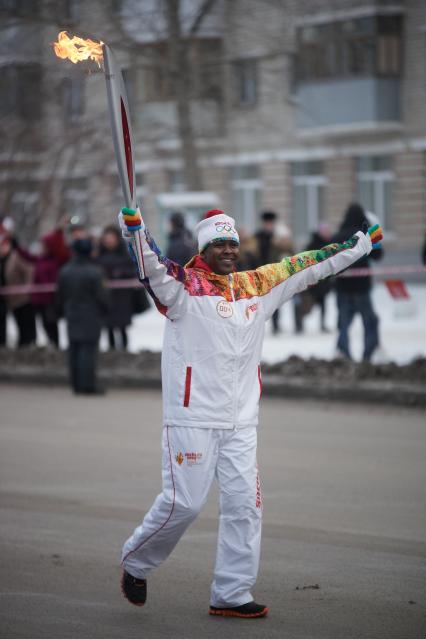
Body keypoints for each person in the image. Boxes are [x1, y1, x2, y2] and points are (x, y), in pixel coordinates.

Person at [117, 205, 382, 618]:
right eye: (218, 243)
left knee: (245, 506)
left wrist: (360, 244)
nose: (227, 250)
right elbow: (151, 265)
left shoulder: (257, 285)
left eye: (232, 243)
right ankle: (136, 562)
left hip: (241, 421)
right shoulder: (183, 287)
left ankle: (231, 592)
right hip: (193, 418)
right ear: (204, 248)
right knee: (183, 504)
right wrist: (136, 231)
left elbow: (308, 265)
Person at [56, 238, 108, 395]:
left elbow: (59, 295)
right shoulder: (95, 272)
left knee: (74, 349)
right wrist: (104, 310)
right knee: (88, 351)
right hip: (90, 315)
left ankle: (76, 384)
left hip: (72, 314)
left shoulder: (65, 271)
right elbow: (102, 297)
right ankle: (88, 385)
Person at [332, 203, 384, 362]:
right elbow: (378, 256)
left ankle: (345, 354)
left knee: (343, 324)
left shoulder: (338, 235)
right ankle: (367, 354)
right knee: (369, 321)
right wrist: (377, 235)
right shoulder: (366, 235)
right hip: (362, 287)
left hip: (342, 287)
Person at [97, 225, 136, 350]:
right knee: (109, 327)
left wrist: (121, 273)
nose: (109, 241)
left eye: (111, 238)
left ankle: (124, 350)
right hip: (106, 298)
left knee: (122, 327)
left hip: (122, 298)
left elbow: (132, 271)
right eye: (106, 238)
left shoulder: (125, 255)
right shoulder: (99, 257)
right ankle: (112, 351)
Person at [254, 211, 294, 334]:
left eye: (271, 223)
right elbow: (256, 253)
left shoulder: (279, 236)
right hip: (261, 271)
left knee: (276, 299)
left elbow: (289, 251)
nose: (269, 225)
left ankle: (276, 325)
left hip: (276, 273)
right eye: (267, 223)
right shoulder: (258, 236)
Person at [0, 223, 36, 347]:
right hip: (9, 298)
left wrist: (26, 287)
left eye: (4, 246)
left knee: (25, 323)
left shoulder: (16, 257)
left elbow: (29, 270)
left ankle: (27, 344)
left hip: (21, 297)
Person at [294, 224, 333, 333]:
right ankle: (299, 325)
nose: (328, 233)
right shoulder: (313, 245)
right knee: (307, 305)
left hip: (324, 281)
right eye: (326, 231)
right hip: (313, 281)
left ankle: (322, 324)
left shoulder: (330, 244)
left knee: (323, 304)